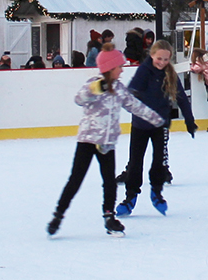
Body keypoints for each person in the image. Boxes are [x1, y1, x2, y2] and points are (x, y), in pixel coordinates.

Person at [48, 49, 164, 237]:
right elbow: (79, 99)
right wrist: (96, 89)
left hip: (107, 143)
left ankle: (109, 217)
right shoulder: (94, 84)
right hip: (88, 140)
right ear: (110, 68)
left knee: (109, 182)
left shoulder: (118, 88)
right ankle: (58, 215)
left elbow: (134, 105)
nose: (122, 70)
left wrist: (155, 118)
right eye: (120, 67)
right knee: (75, 180)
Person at [118, 39, 197, 215]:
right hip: (140, 124)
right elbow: (131, 91)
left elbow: (182, 98)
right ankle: (130, 197)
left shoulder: (170, 74)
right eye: (159, 58)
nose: (162, 62)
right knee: (135, 162)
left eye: (166, 59)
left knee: (159, 161)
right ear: (152, 55)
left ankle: (156, 192)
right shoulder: (144, 71)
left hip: (160, 125)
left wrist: (189, 121)